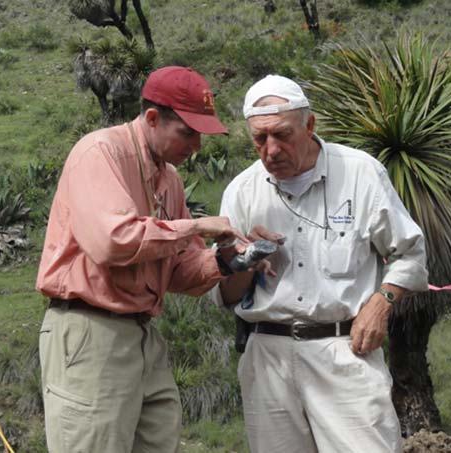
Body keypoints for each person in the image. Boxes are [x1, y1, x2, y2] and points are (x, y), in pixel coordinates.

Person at [36, 66, 247, 453]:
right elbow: (112, 242)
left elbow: (180, 270)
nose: (197, 145)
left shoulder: (171, 179)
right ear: (152, 118)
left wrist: (232, 258)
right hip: (90, 330)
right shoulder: (100, 152)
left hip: (142, 334)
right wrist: (193, 225)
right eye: (188, 131)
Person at [212, 75, 429, 452]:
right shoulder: (242, 191)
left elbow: (409, 253)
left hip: (344, 351)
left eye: (282, 135)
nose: (271, 150)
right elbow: (229, 294)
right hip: (268, 356)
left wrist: (380, 305)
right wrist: (247, 258)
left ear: (309, 125)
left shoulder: (360, 173)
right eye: (259, 139)